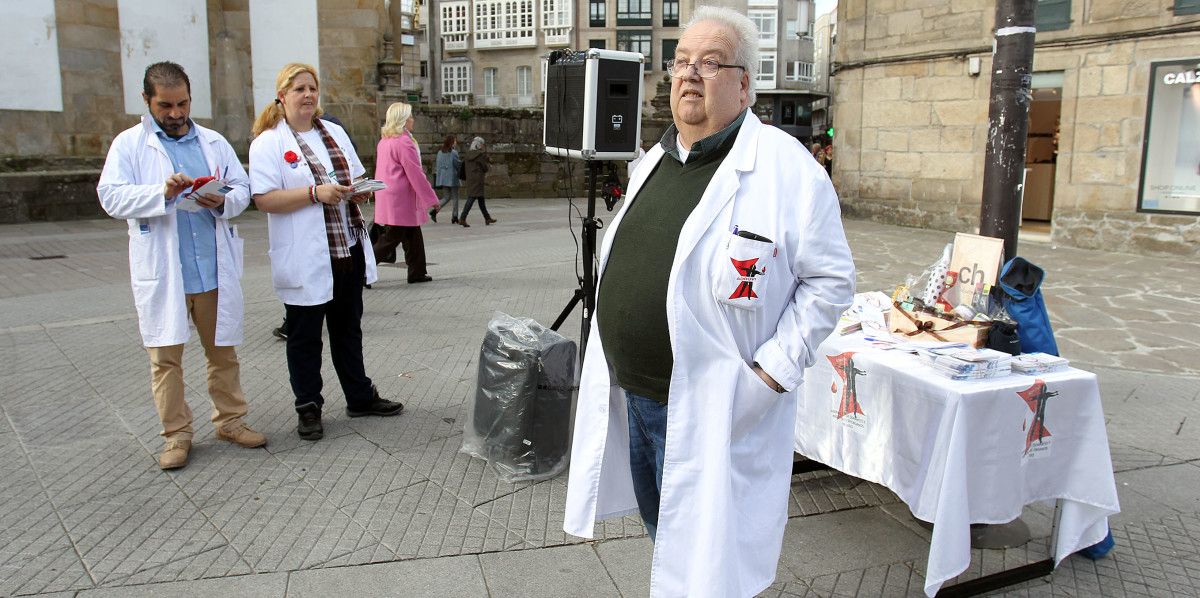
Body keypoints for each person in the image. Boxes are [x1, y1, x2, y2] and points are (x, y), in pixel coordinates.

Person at [562, 7, 856, 597]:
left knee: (713, 557)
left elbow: (831, 281)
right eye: (680, 63)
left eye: (711, 62)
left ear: (745, 83)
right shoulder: (655, 160)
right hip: (637, 395)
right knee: (667, 535)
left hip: (712, 401)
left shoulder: (786, 169)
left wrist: (773, 371)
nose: (689, 74)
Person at [97, 61, 266, 470]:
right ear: (147, 101)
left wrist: (222, 199)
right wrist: (162, 193)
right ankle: (176, 434)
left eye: (182, 103)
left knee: (222, 352)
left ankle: (230, 420)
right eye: (165, 105)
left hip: (210, 268)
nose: (175, 113)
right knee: (165, 360)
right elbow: (111, 197)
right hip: (165, 271)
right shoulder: (129, 145)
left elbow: (242, 187)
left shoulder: (212, 141)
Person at [248, 62, 405, 441]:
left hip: (345, 246)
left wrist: (362, 188)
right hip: (305, 254)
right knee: (304, 336)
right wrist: (313, 193)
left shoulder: (331, 131)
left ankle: (359, 396)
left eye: (312, 89)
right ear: (282, 96)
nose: (307, 95)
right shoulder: (268, 142)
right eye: (299, 89)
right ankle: (308, 406)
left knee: (348, 329)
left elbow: (352, 174)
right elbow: (264, 199)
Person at [372, 102, 438, 283]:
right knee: (392, 237)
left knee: (412, 233)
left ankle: (417, 271)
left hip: (389, 193)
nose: (412, 119)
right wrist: (431, 198)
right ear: (402, 120)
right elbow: (415, 173)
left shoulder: (385, 140)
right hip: (401, 197)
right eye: (409, 116)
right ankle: (362, 270)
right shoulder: (404, 142)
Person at [458, 136, 496, 226]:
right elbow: (485, 168)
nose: (483, 146)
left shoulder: (467, 154)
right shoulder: (480, 155)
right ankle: (462, 218)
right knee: (471, 198)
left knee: (481, 199)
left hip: (470, 179)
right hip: (478, 179)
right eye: (482, 144)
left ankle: (487, 218)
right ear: (479, 145)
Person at [429, 135, 462, 223]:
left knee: (447, 197)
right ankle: (454, 216)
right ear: (451, 142)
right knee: (455, 197)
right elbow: (457, 165)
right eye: (455, 141)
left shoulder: (440, 152)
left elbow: (438, 166)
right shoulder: (454, 152)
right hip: (452, 177)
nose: (456, 142)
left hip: (443, 178)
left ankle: (434, 211)